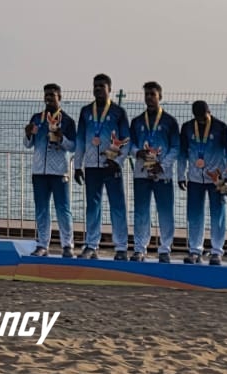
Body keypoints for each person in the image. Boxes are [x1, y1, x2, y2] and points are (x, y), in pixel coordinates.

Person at [74, 74, 131, 260]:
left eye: (101, 86)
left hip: (112, 166)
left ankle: (121, 247)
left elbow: (127, 141)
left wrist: (118, 161)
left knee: (117, 206)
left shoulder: (118, 112)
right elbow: (80, 141)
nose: (98, 89)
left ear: (109, 89)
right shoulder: (85, 111)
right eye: (95, 86)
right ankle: (91, 245)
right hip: (91, 166)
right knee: (92, 207)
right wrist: (77, 165)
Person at [128, 82, 180, 263]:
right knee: (141, 212)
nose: (149, 97)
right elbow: (130, 144)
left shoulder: (170, 121)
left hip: (162, 174)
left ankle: (165, 249)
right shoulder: (137, 121)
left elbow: (175, 148)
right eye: (147, 94)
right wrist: (137, 152)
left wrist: (163, 165)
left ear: (160, 96)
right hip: (142, 173)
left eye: (153, 94)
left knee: (165, 212)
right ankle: (139, 249)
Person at [24, 83, 77, 256]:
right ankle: (42, 245)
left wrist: (61, 138)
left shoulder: (67, 121)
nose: (48, 98)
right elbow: (27, 144)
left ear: (59, 97)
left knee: (63, 209)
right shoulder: (37, 118)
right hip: (39, 172)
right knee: (41, 209)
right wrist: (28, 134)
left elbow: (73, 146)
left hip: (59, 172)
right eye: (46, 95)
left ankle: (67, 245)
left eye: (52, 95)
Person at [178, 101, 227, 264]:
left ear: (210, 111)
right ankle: (195, 250)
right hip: (195, 177)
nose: (201, 120)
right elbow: (182, 154)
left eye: (204, 116)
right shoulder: (187, 127)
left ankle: (217, 251)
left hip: (217, 178)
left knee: (218, 215)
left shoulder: (221, 127)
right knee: (194, 215)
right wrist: (181, 175)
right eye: (198, 117)